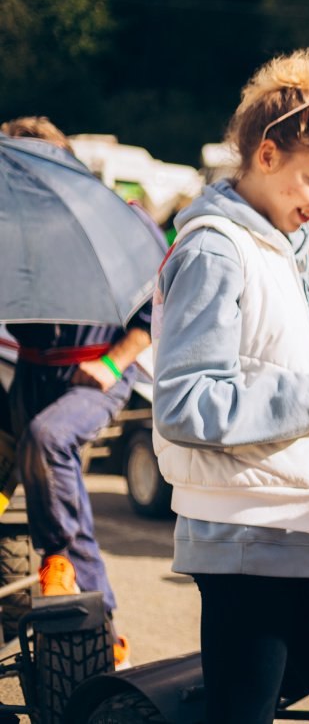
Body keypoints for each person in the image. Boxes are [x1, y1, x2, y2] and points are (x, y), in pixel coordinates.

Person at [151, 50, 309, 723]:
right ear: (267, 155)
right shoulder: (216, 250)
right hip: (254, 545)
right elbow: (184, 403)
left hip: (304, 538)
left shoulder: (284, 249)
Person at [1, 115, 155, 669]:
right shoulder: (9, 227)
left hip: (96, 370)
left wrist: (114, 362)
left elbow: (155, 305)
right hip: (30, 372)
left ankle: (98, 618)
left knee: (48, 438)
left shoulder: (115, 219)